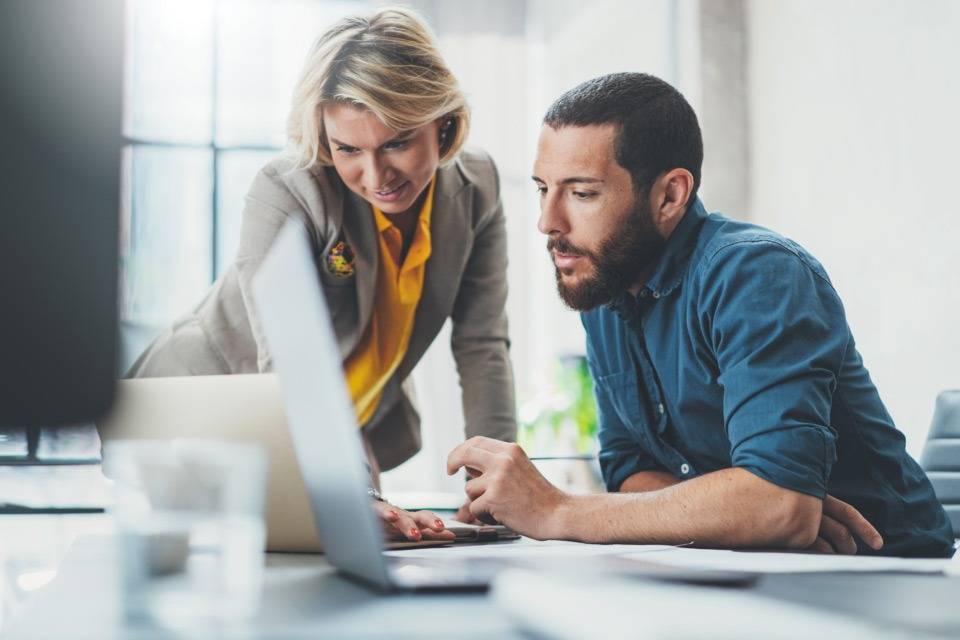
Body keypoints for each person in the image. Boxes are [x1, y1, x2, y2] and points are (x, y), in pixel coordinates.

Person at [447, 72, 954, 558]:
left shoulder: (757, 273)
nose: (547, 221)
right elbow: (631, 470)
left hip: (886, 572)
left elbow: (780, 506)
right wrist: (741, 514)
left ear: (670, 195)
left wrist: (558, 511)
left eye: (582, 193)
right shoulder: (605, 285)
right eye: (543, 189)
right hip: (746, 569)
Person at [131, 7, 516, 542]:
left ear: (443, 122)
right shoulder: (288, 191)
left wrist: (496, 486)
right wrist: (355, 493)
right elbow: (292, 369)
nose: (376, 176)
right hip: (200, 417)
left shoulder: (478, 188)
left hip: (337, 431)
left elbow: (482, 345)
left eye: (397, 143)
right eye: (347, 149)